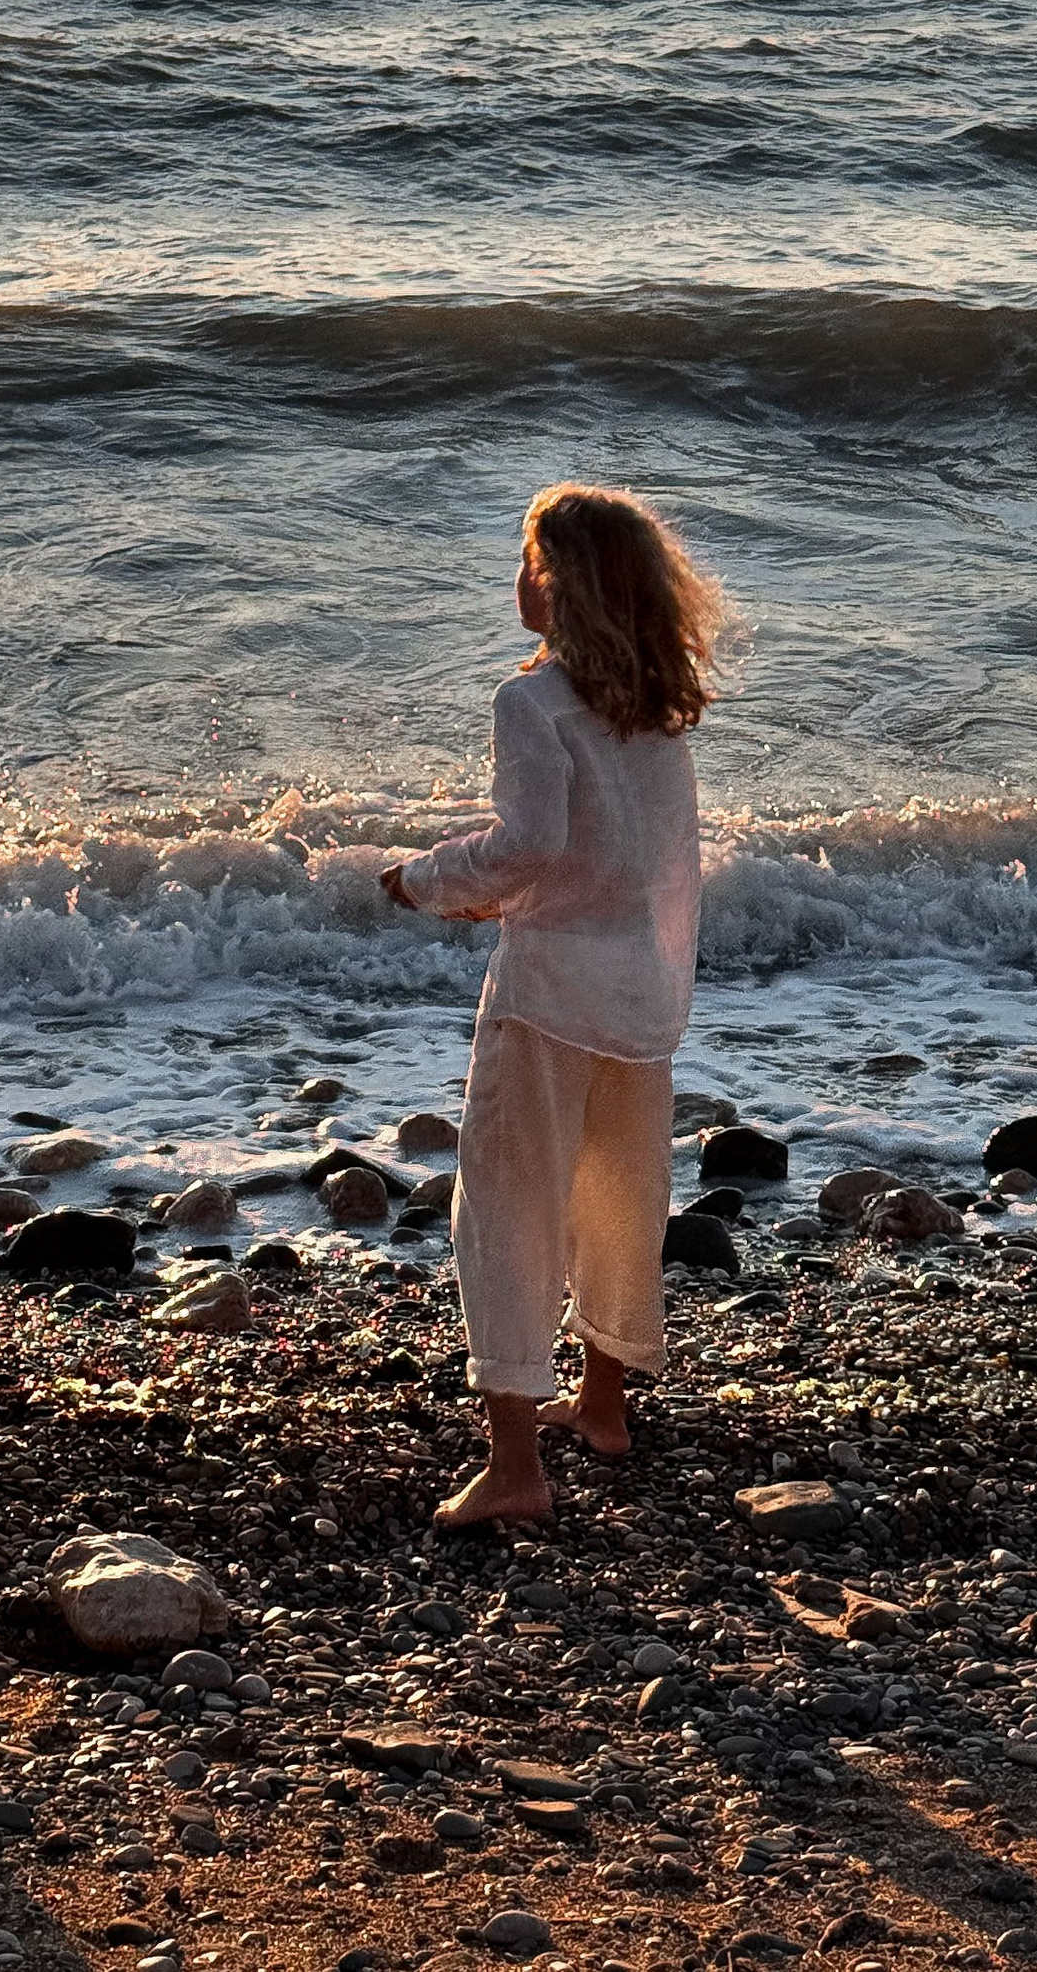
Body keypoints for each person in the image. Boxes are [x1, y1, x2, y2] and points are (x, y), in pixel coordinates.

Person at [381, 483, 721, 1529]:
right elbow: (635, 859)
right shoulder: (657, 705)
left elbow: (530, 841)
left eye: (528, 560)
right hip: (642, 989)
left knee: (507, 1202)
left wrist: (423, 878)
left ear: (559, 584)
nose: (516, 578)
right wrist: (516, 891)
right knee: (620, 1194)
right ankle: (604, 1407)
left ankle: (515, 1461)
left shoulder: (529, 701)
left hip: (549, 995)